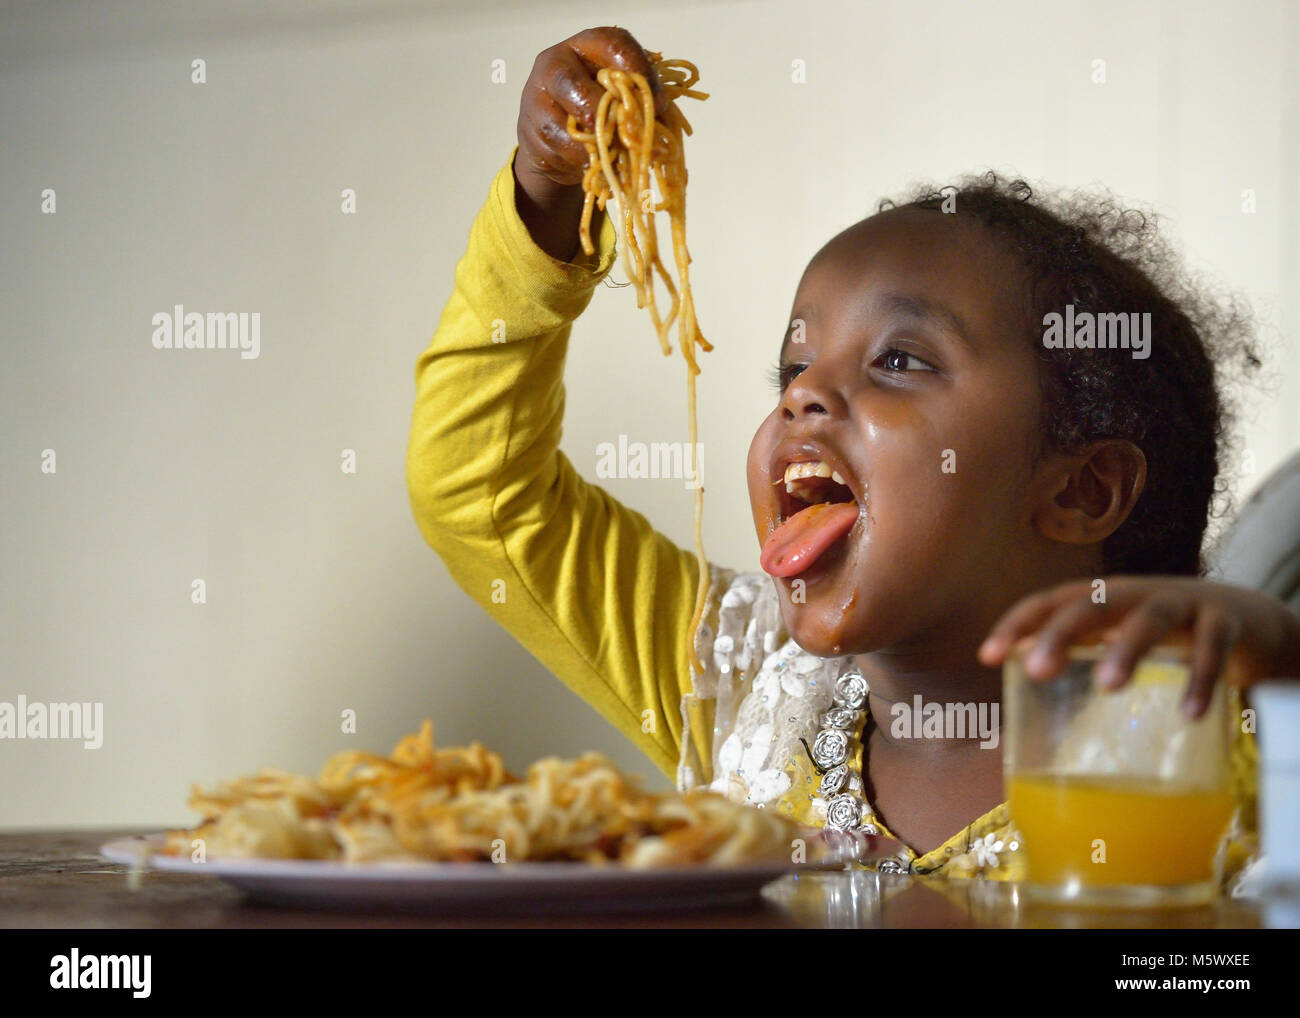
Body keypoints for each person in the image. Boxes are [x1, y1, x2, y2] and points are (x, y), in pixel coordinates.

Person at [406, 26, 1300, 882]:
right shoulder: (733, 672)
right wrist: (546, 197)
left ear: (1082, 488)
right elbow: (479, 492)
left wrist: (1289, 679)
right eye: (793, 366)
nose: (802, 395)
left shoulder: (1215, 754)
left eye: (898, 361)